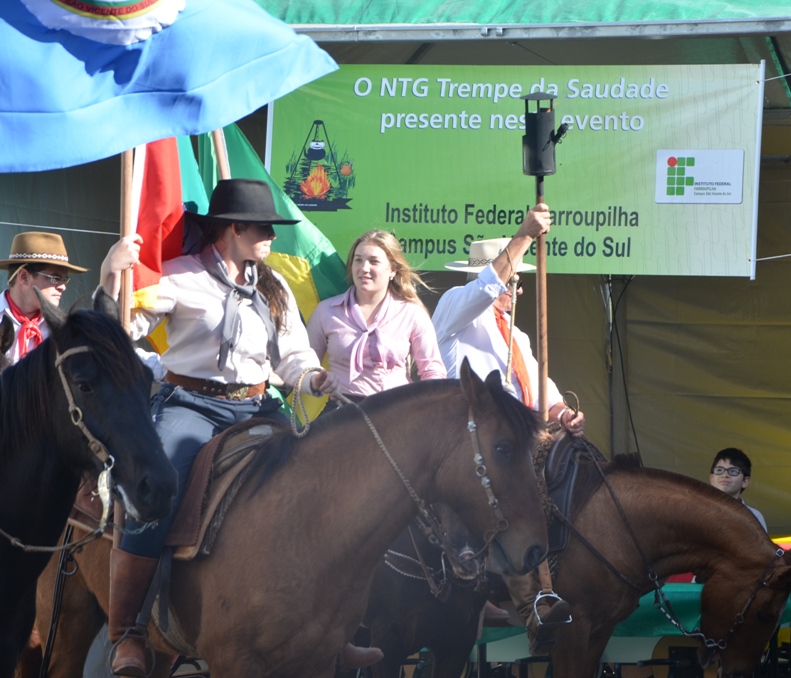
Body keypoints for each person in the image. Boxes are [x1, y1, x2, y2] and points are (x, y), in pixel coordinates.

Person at [98, 179, 382, 676]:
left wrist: (313, 377)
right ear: (233, 229)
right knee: (152, 491)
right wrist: (110, 281)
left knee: (323, 486)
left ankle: (333, 632)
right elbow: (122, 329)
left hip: (257, 406)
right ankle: (128, 633)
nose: (271, 236)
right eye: (263, 228)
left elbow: (293, 353)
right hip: (191, 403)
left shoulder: (273, 286)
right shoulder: (179, 277)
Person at [432, 204, 584, 654]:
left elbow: (540, 386)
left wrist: (562, 413)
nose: (514, 288)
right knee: (514, 495)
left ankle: (584, 577)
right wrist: (524, 236)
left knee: (578, 468)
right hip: (467, 441)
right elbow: (485, 287)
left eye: (518, 282)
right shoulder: (455, 309)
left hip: (519, 438)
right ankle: (535, 604)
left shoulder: (515, 335)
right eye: (510, 279)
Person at [306, 229, 445, 397]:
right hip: (342, 406)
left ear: (393, 270)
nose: (364, 268)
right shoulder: (326, 310)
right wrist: (317, 379)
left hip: (395, 406)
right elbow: (305, 365)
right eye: (358, 260)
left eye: (374, 261)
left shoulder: (412, 313)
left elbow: (433, 371)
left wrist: (426, 404)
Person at [0, 231, 87, 363]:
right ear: (24, 277)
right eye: (55, 278)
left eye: (65, 279)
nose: (63, 287)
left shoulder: (61, 329)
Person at [708, 447, 767, 531]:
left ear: (745, 481)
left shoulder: (754, 516)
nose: (725, 475)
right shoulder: (697, 509)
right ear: (712, 479)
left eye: (733, 471)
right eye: (719, 470)